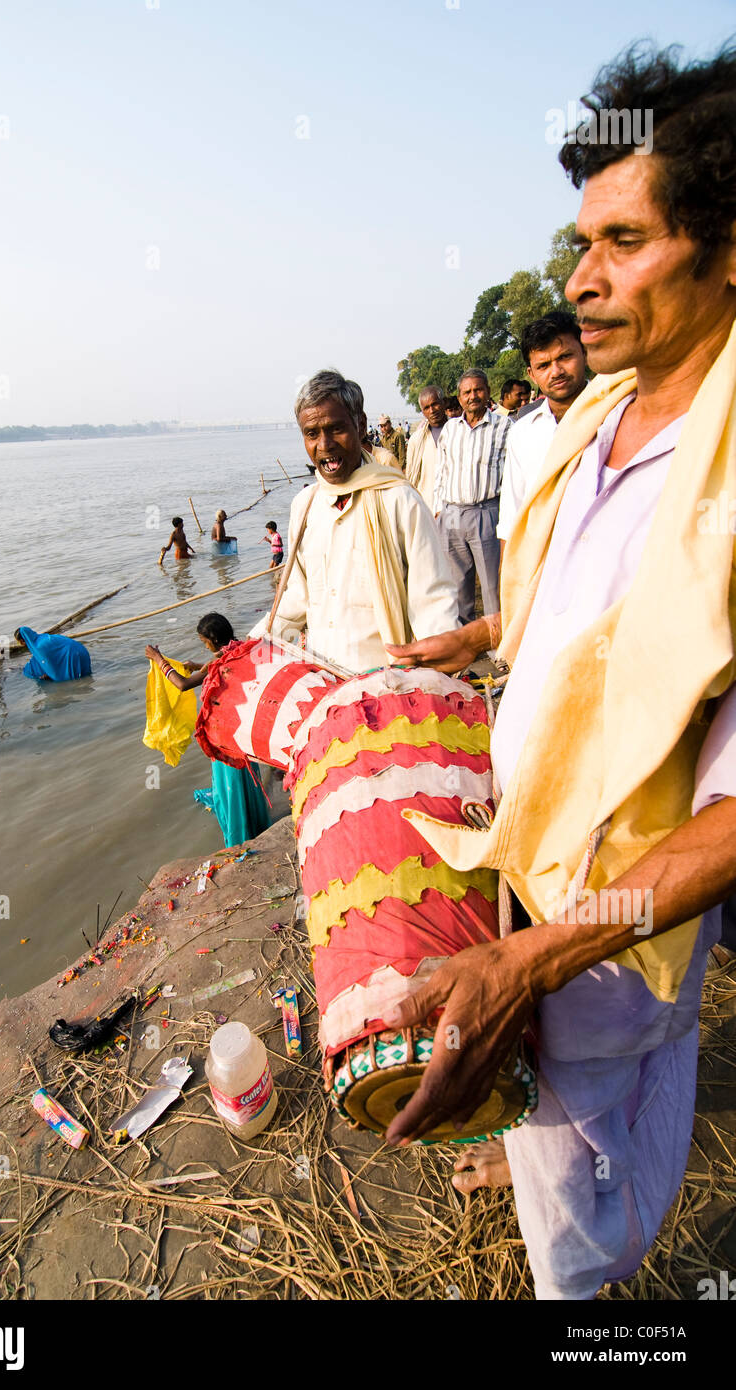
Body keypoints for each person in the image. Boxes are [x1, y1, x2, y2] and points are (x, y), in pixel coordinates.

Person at [383, 39, 736, 1302]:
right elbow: (569, 623)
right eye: (578, 243)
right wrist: (468, 647)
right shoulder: (595, 420)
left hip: (609, 919)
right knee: (593, 1090)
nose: (579, 284)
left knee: (573, 1188)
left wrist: (527, 963)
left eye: (623, 244)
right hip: (527, 865)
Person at [250, 369, 459, 673]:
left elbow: (433, 606)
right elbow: (296, 599)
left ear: (360, 425)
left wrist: (434, 682)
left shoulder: (400, 501)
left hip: (388, 687)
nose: (324, 444)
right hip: (323, 688)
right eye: (312, 434)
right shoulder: (305, 505)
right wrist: (242, 652)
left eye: (336, 429)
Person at [145, 613, 271, 847]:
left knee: (231, 780)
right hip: (242, 729)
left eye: (204, 642)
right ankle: (255, 820)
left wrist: (158, 658)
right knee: (245, 775)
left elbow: (182, 685)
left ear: (212, 640)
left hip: (224, 732)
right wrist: (197, 666)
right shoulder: (241, 649)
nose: (204, 645)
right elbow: (219, 666)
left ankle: (240, 834)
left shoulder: (218, 662)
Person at [496, 311, 588, 548]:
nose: (556, 371)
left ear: (585, 353)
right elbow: (511, 519)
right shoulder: (523, 432)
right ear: (532, 374)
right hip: (545, 560)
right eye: (544, 365)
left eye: (565, 357)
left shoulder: (616, 414)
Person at [433, 368, 511, 625]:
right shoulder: (450, 429)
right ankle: (465, 641)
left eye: (478, 390)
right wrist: (437, 509)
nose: (472, 396)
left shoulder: (504, 427)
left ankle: (497, 644)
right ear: (459, 396)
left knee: (492, 585)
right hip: (452, 514)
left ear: (487, 392)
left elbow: (512, 474)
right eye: (467, 392)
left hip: (487, 513)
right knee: (457, 585)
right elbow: (440, 472)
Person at [405, 385, 448, 513]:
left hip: (454, 508)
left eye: (435, 404)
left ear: (443, 403)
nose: (432, 410)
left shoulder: (457, 432)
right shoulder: (416, 440)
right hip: (426, 507)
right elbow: (411, 477)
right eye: (426, 408)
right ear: (422, 412)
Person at [15, 627, 92, 681]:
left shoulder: (39, 647)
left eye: (20, 642)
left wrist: (49, 674)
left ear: (23, 640)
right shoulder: (43, 637)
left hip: (73, 655)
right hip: (82, 650)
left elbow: (51, 664)